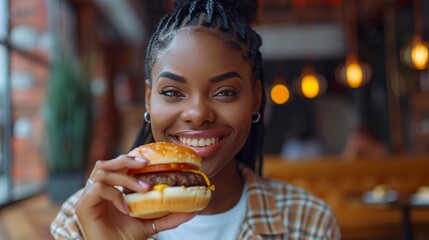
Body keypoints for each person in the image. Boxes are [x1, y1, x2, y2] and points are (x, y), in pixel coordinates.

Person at [50, 0, 341, 239]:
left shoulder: (308, 222)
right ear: (149, 98)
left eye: (225, 91)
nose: (198, 113)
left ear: (255, 98)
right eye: (173, 92)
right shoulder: (82, 220)